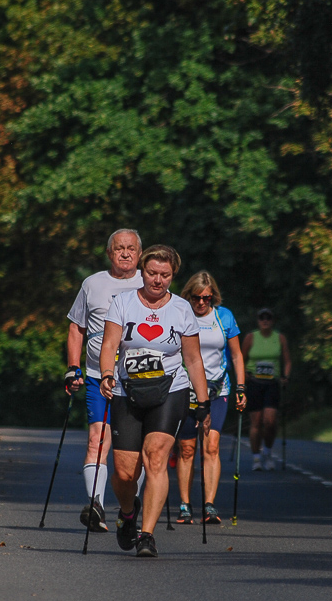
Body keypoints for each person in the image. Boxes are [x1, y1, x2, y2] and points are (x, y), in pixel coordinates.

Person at [98, 245, 209, 558]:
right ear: (142, 272)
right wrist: (107, 374)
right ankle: (128, 512)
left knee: (156, 458)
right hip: (127, 391)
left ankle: (147, 535)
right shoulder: (123, 303)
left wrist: (203, 402)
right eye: (152, 273)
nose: (158, 280)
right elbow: (109, 344)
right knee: (124, 473)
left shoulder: (182, 309)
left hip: (170, 390)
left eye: (165, 275)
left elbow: (193, 359)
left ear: (173, 275)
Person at [64, 229, 143, 532]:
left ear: (140, 254)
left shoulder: (148, 283)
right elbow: (76, 328)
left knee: (136, 449)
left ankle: (130, 508)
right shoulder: (92, 284)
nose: (125, 253)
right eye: (119, 248)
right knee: (97, 438)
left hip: (139, 379)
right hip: (99, 376)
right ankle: (95, 505)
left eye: (131, 248)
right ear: (109, 253)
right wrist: (73, 368)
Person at [174, 272, 246, 524]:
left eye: (207, 298)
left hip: (217, 389)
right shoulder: (181, 313)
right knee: (186, 449)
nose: (202, 303)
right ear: (189, 296)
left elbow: (236, 355)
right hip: (186, 390)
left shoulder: (224, 316)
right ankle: (185, 504)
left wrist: (241, 388)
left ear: (213, 296)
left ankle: (209, 504)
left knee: (211, 446)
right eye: (197, 298)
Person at [241, 307, 291, 470]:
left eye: (268, 318)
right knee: (256, 422)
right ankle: (256, 458)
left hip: (272, 383)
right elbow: (240, 358)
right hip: (255, 383)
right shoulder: (251, 337)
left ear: (273, 321)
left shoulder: (279, 338)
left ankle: (267, 452)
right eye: (262, 318)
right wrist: (244, 375)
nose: (265, 321)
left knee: (270, 421)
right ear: (258, 321)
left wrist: (286, 376)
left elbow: (287, 361)